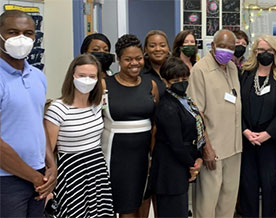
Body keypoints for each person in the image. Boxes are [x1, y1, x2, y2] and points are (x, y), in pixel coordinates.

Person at [0, 10, 57, 218]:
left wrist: (51, 166)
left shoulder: (37, 77)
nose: (21, 39)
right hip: (6, 182)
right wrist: (33, 177)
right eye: (13, 32)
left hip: (38, 177)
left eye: (28, 33)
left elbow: (37, 123)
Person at [44, 54, 114, 217]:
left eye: (92, 76)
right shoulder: (58, 109)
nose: (87, 80)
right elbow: (47, 153)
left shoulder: (97, 105)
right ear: (72, 77)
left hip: (97, 170)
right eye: (82, 76)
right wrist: (48, 189)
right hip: (71, 171)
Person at [101, 34, 159, 217]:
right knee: (116, 206)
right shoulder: (104, 85)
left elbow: (155, 123)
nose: (134, 63)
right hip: (114, 156)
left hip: (142, 157)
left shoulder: (150, 85)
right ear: (118, 60)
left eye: (138, 58)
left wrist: (152, 156)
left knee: (137, 204)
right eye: (128, 59)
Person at [187, 29, 242, 218]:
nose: (226, 51)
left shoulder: (233, 68)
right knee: (207, 203)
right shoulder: (200, 70)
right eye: (222, 46)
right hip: (214, 149)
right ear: (212, 46)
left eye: (231, 48)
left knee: (228, 201)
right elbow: (196, 113)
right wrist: (207, 148)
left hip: (234, 148)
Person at [238, 34, 276, 217]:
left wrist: (267, 133)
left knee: (270, 186)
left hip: (272, 142)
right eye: (261, 50)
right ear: (254, 52)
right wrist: (245, 130)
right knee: (248, 186)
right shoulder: (245, 73)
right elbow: (237, 106)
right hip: (247, 140)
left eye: (269, 50)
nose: (265, 53)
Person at [148, 57, 205, 217]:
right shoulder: (167, 106)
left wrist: (198, 156)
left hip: (181, 166)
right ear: (165, 81)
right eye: (175, 80)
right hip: (170, 170)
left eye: (184, 79)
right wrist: (192, 164)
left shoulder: (185, 100)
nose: (181, 82)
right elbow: (176, 144)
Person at [143, 30, 171, 96]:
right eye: (152, 46)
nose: (158, 49)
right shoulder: (140, 73)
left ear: (168, 48)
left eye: (162, 45)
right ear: (146, 49)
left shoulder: (176, 69)